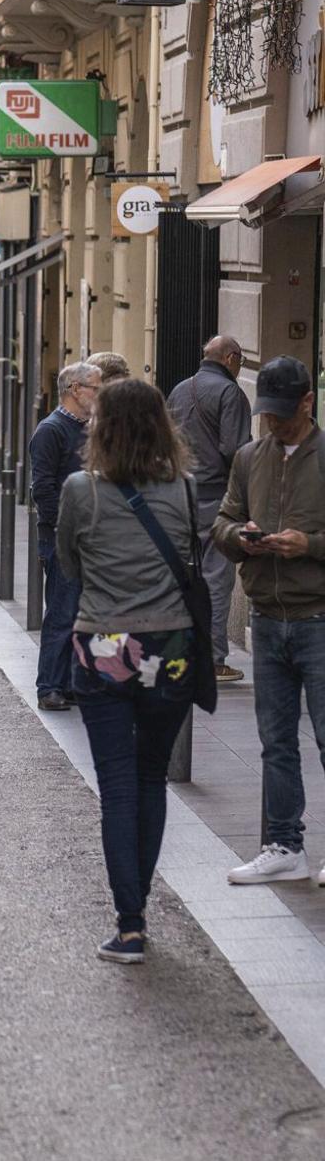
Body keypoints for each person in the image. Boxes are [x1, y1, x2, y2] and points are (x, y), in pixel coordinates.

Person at [57, 379, 198, 964]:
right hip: (168, 646)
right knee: (149, 777)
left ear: (102, 428)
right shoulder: (184, 489)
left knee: (116, 785)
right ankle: (136, 902)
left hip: (104, 646)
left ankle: (131, 923)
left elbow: (67, 563)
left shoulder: (80, 490)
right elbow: (192, 554)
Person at [212, 356, 325, 887]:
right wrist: (242, 537)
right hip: (266, 617)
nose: (273, 423)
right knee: (275, 741)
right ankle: (284, 846)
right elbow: (223, 522)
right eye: (267, 415)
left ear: (307, 402)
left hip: (318, 619)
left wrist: (310, 545)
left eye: (283, 414)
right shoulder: (249, 457)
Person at [167, 336, 251, 683]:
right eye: (241, 361)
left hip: (178, 496)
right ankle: (213, 661)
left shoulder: (178, 390)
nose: (240, 367)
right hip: (216, 497)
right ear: (231, 358)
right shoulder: (230, 393)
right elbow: (237, 449)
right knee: (216, 579)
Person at [30, 362, 102, 712]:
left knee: (83, 612)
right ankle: (50, 686)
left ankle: (72, 682)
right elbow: (42, 488)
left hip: (91, 536)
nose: (99, 396)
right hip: (62, 537)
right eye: (96, 389)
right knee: (61, 610)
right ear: (75, 389)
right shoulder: (51, 430)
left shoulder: (90, 429)